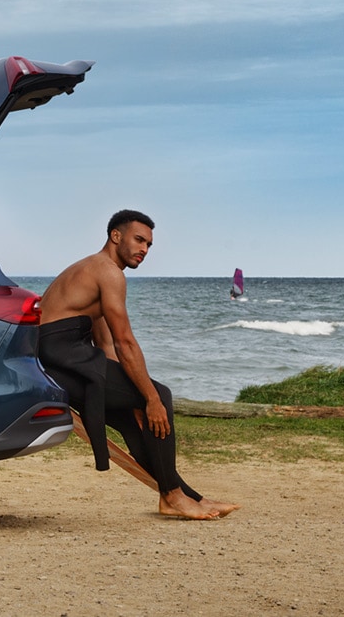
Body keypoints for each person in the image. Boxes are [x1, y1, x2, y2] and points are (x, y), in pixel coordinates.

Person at [37, 210, 239, 520]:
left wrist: (132, 394)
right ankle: (174, 496)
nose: (144, 250)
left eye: (149, 245)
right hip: (61, 361)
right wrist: (150, 397)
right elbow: (125, 342)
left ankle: (188, 497)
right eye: (139, 240)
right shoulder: (108, 272)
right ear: (116, 236)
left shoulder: (95, 269)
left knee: (137, 420)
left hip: (66, 358)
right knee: (161, 397)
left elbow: (105, 346)